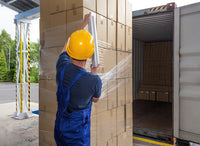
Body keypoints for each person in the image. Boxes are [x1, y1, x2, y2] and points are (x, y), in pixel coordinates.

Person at [54, 13, 102, 146]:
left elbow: (66, 46)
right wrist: (94, 73)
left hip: (60, 127)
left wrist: (83, 24)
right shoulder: (94, 80)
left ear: (71, 50)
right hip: (77, 135)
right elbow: (95, 99)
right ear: (89, 54)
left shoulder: (61, 66)